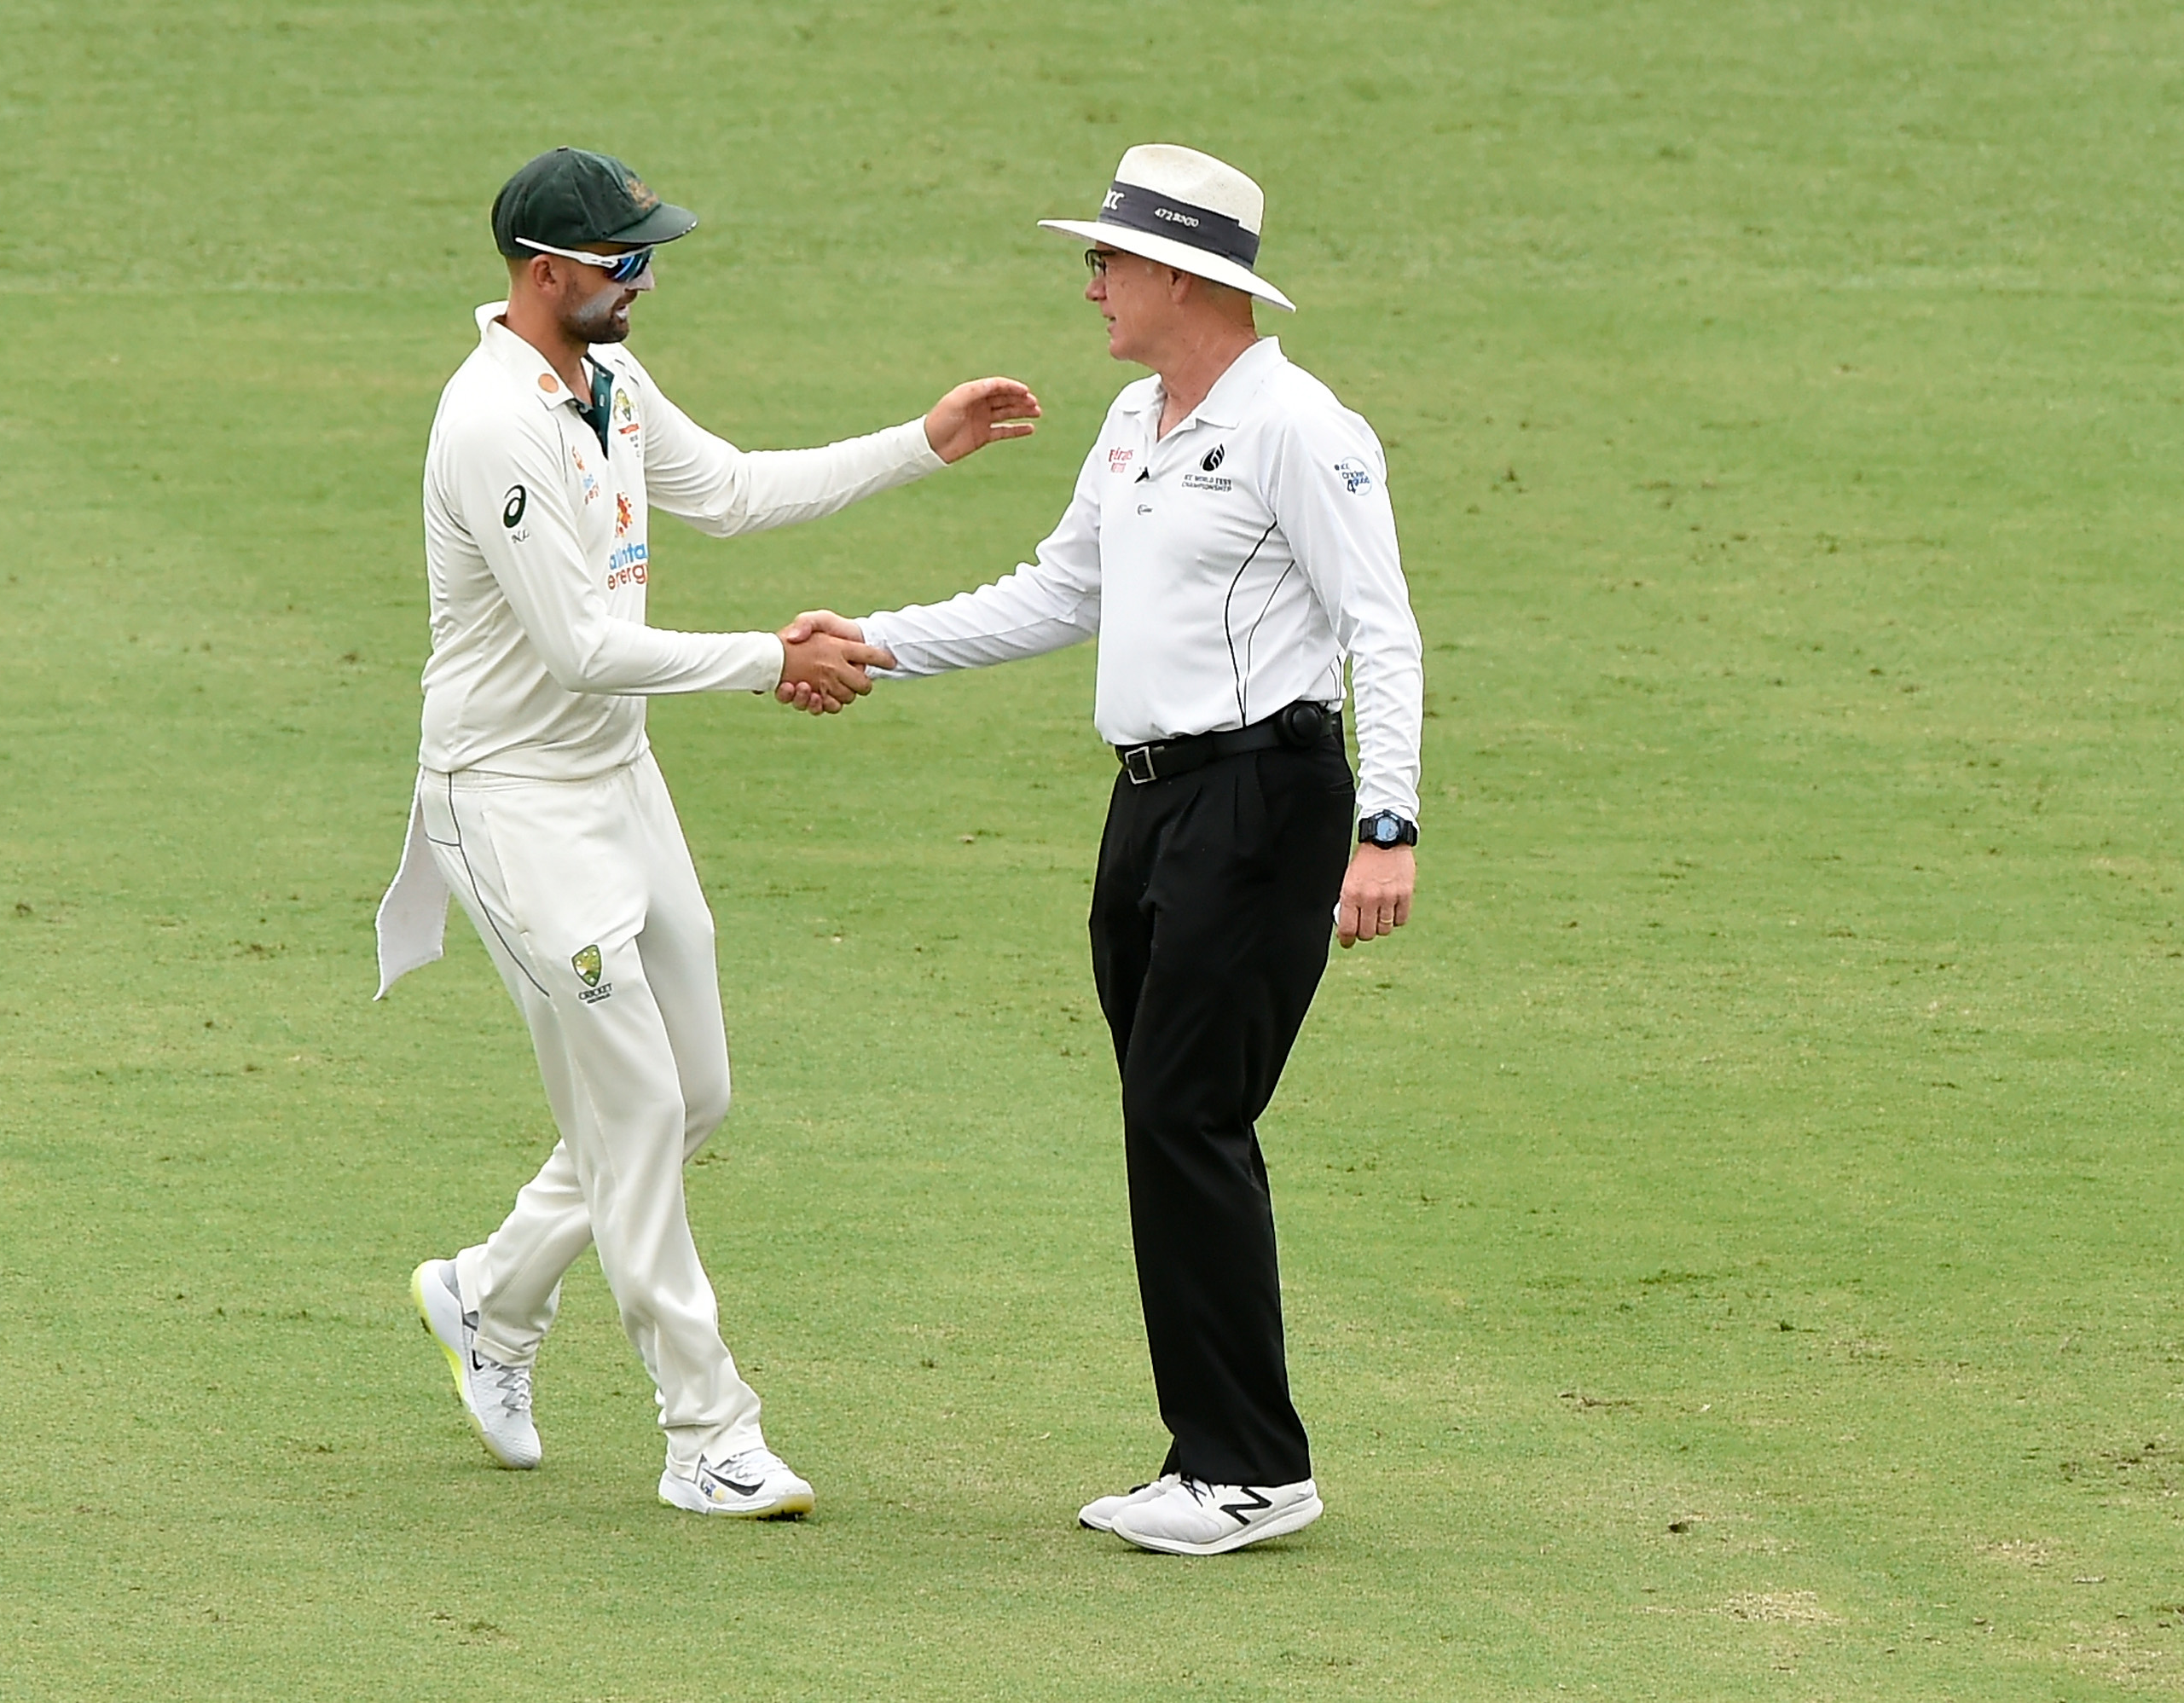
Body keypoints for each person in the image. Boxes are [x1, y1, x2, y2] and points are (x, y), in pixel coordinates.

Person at [374, 147, 1039, 1520]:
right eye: (624, 259)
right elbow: (573, 646)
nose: (646, 277)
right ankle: (706, 1431)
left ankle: (487, 1296)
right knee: (635, 1114)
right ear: (544, 269)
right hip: (509, 803)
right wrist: (770, 660)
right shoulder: (490, 422)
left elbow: (732, 490)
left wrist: (924, 443)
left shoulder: (606, 381)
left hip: (618, 777)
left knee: (696, 1093)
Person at [778, 144, 1424, 1555]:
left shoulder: (1300, 429)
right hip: (1148, 807)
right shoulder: (1137, 414)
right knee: (1166, 1115)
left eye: (1111, 261)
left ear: (1184, 276)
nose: (1092, 285)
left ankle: (1250, 1465)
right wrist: (877, 644)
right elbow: (1059, 590)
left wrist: (1387, 826)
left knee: (1190, 1113)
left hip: (1267, 801)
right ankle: (1214, 1453)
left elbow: (1382, 627)